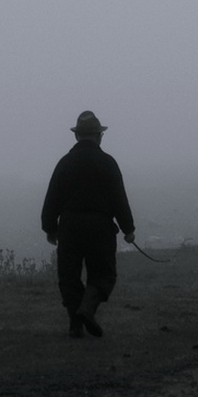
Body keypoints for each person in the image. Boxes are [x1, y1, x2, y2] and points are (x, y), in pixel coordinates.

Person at [41, 111, 137, 338]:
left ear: (77, 137)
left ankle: (76, 324)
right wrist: (128, 229)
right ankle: (87, 309)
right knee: (103, 275)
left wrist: (50, 228)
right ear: (99, 136)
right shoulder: (107, 163)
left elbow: (52, 198)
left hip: (70, 227)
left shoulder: (64, 163)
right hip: (100, 227)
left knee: (69, 277)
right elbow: (118, 198)